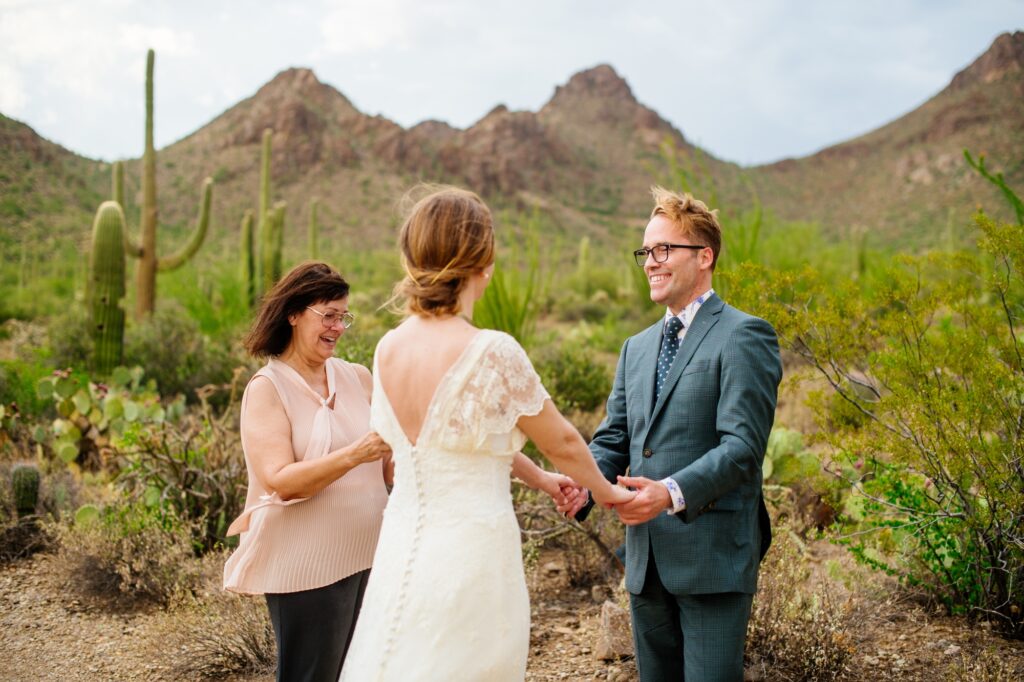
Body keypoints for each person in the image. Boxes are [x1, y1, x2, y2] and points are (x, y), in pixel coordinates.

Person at [339, 186, 635, 681]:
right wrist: (606, 492)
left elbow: (452, 442)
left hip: (401, 547)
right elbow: (560, 440)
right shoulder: (492, 350)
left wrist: (541, 479)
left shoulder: (388, 349)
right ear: (484, 259)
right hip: (472, 551)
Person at [568, 187, 782, 681]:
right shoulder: (636, 347)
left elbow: (743, 449)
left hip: (712, 557)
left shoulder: (744, 335)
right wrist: (586, 481)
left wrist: (668, 494)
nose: (650, 262)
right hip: (645, 561)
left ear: (704, 256)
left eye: (664, 249)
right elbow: (613, 438)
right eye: (646, 251)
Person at [223, 262, 393, 682]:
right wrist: (357, 453)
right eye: (328, 315)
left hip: (370, 554)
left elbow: (387, 470)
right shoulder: (267, 389)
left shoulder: (357, 377)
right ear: (294, 313)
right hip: (307, 565)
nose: (338, 327)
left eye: (343, 317)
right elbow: (278, 478)